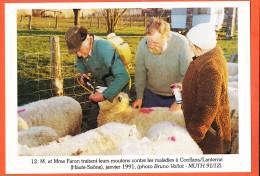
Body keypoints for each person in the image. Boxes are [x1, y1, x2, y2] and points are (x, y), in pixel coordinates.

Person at [172, 23, 231, 154]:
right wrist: (186, 88)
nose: (190, 46)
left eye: (192, 44)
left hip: (208, 134)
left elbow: (207, 106)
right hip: (206, 130)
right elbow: (205, 88)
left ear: (201, 45)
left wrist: (192, 137)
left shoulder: (211, 69)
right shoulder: (209, 58)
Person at [65, 26, 130, 130]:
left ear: (86, 39)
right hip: (100, 86)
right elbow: (80, 60)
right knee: (94, 124)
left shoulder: (105, 49)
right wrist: (82, 73)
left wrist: (104, 95)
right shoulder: (82, 50)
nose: (78, 54)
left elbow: (123, 77)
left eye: (79, 50)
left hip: (117, 87)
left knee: (116, 126)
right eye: (75, 52)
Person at [132, 18, 192, 111]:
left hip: (175, 97)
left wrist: (179, 102)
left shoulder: (181, 44)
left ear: (167, 37)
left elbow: (188, 75)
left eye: (156, 43)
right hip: (151, 95)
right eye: (149, 42)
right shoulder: (142, 45)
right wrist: (139, 97)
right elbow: (140, 72)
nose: (151, 46)